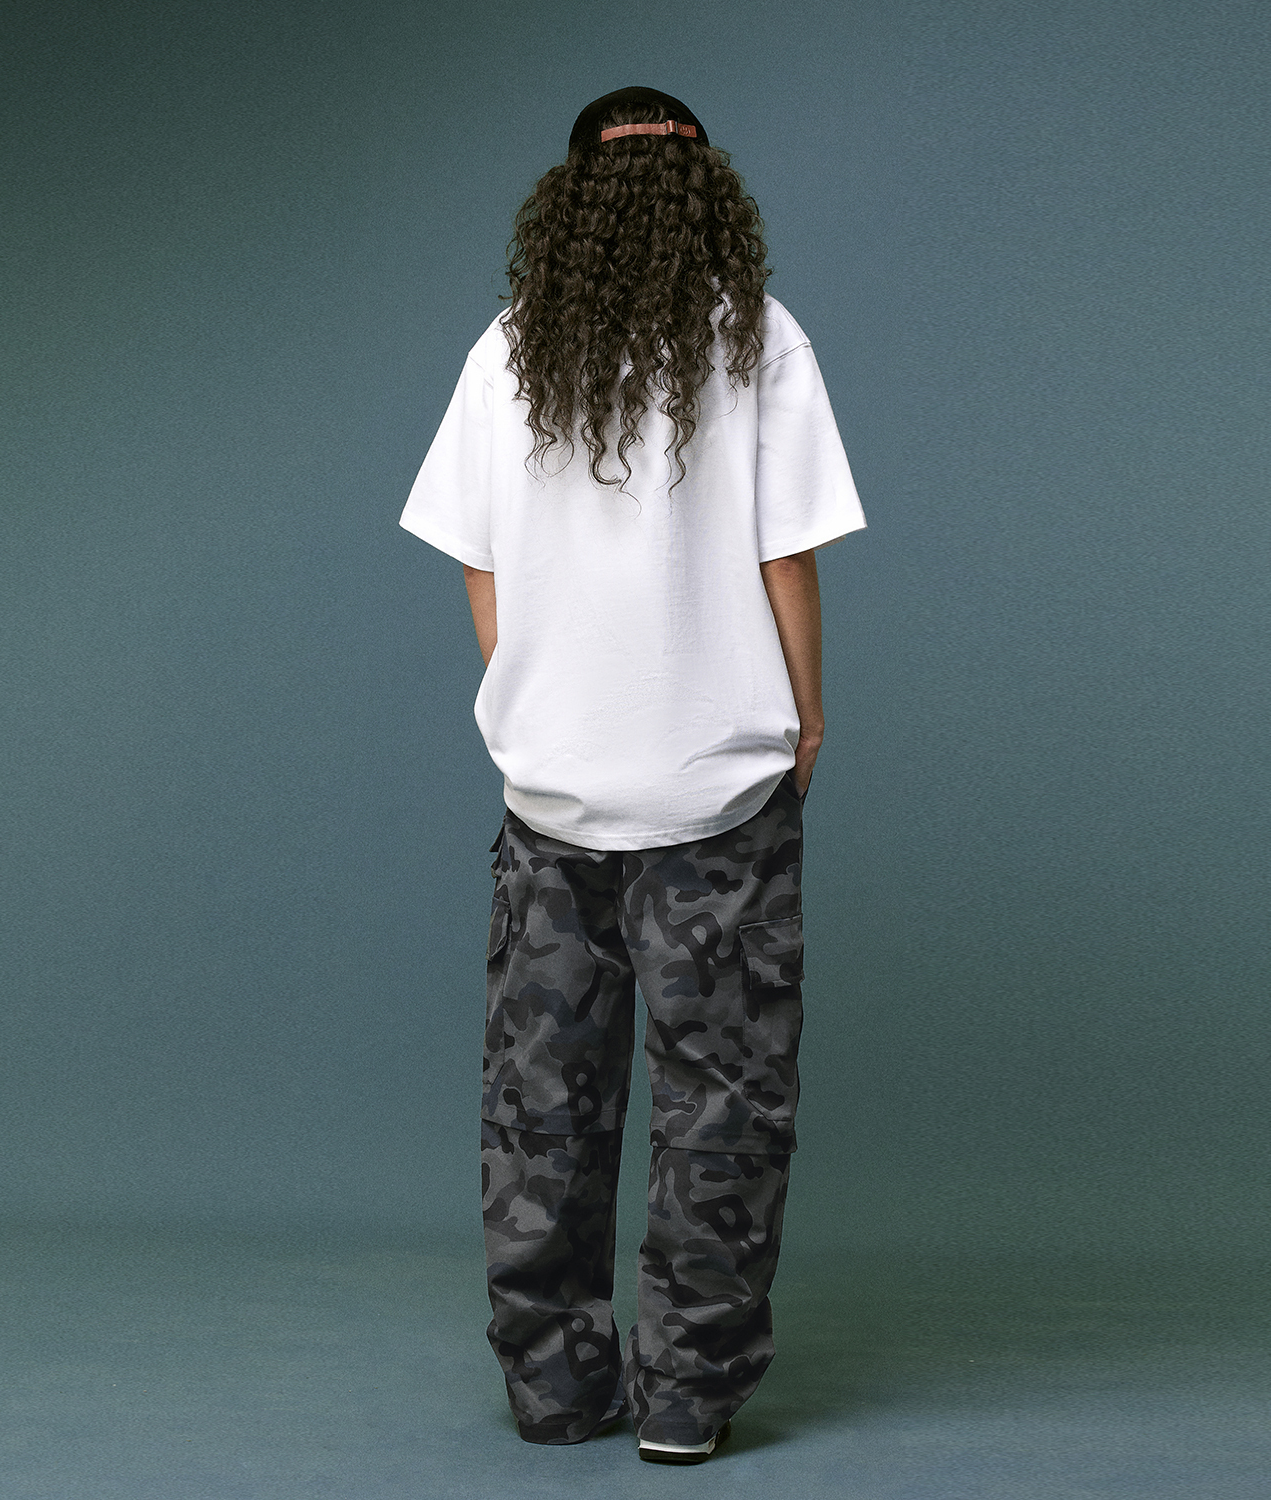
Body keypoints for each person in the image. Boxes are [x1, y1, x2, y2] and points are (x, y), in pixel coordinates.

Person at [399, 85, 866, 1465]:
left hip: (551, 794)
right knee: (724, 1105)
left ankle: (553, 1388)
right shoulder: (759, 338)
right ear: (708, 191)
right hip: (717, 790)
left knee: (542, 1106)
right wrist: (807, 713)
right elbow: (788, 554)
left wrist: (531, 690)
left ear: (568, 200)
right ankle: (686, 1399)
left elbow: (479, 560)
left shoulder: (510, 347)